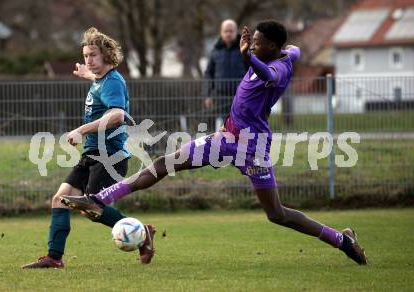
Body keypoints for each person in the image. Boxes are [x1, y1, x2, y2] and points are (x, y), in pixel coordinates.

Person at [62, 21, 367, 265]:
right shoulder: (285, 53)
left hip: (252, 146)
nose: (253, 45)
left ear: (271, 47)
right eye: (253, 41)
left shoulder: (276, 67)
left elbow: (270, 74)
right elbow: (295, 48)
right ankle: (99, 199)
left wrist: (249, 57)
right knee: (165, 163)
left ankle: (342, 240)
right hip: (225, 137)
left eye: (259, 43)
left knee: (277, 214)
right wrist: (281, 48)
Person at [22, 27, 155, 269]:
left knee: (92, 207)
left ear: (106, 55)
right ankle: (54, 257)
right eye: (85, 55)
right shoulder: (102, 80)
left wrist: (81, 130)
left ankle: (143, 234)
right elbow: (101, 82)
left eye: (93, 55)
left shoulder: (113, 81)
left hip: (110, 157)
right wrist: (88, 75)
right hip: (91, 154)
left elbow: (117, 115)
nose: (88, 60)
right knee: (60, 199)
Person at [204, 19, 247, 131]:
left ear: (236, 32)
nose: (228, 33)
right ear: (221, 32)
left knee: (241, 126)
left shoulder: (244, 50)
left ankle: (242, 147)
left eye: (231, 31)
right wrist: (208, 95)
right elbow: (209, 74)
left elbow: (251, 72)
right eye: (226, 31)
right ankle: (225, 147)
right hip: (220, 97)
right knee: (224, 128)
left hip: (241, 97)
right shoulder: (215, 51)